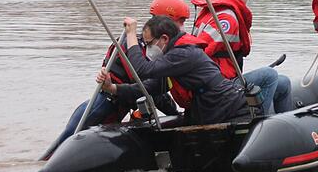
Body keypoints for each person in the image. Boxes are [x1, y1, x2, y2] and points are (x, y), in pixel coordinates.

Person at [39, 0, 187, 160]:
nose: (182, 27)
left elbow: (155, 88)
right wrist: (175, 113)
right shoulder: (132, 47)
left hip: (120, 106)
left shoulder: (156, 48)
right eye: (180, 21)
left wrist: (176, 114)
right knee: (62, 146)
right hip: (103, 104)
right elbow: (146, 87)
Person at [99, 15, 247, 125]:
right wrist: (112, 88)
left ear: (164, 39)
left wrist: (131, 35)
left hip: (225, 106)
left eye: (148, 43)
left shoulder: (182, 54)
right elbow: (148, 87)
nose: (147, 48)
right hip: (205, 107)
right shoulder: (171, 60)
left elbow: (141, 70)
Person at [190, 0, 292, 115]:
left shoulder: (214, 10)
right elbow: (198, 55)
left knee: (283, 83)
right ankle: (256, 120)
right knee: (269, 75)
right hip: (218, 88)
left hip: (223, 81)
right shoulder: (227, 19)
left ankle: (286, 128)